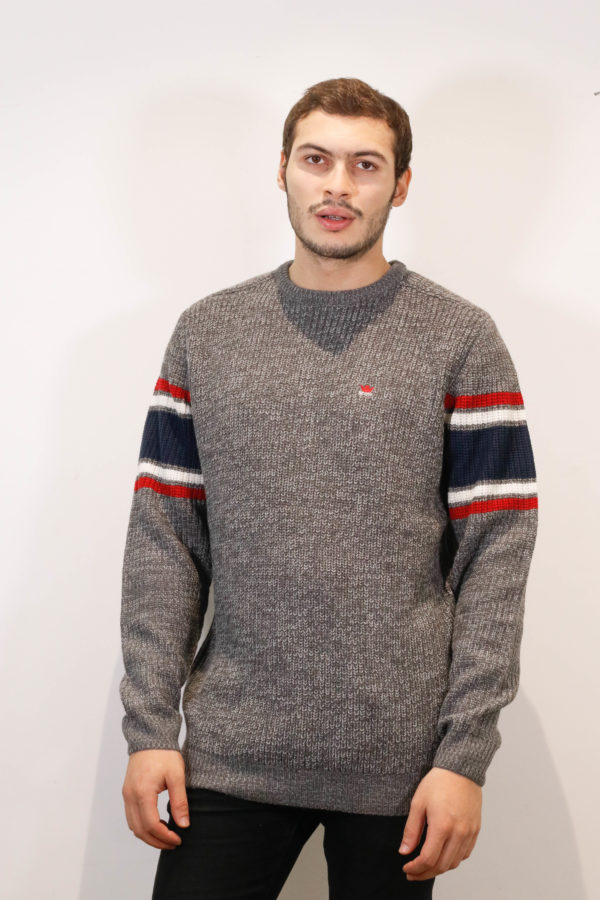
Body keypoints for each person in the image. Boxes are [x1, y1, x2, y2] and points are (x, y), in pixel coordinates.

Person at [119, 76, 539, 898]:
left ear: (401, 185)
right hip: (231, 752)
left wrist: (463, 757)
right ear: (282, 169)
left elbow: (497, 554)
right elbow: (165, 540)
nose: (338, 185)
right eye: (316, 160)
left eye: (365, 165)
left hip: (402, 764)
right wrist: (150, 728)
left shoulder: (460, 338)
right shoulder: (209, 333)